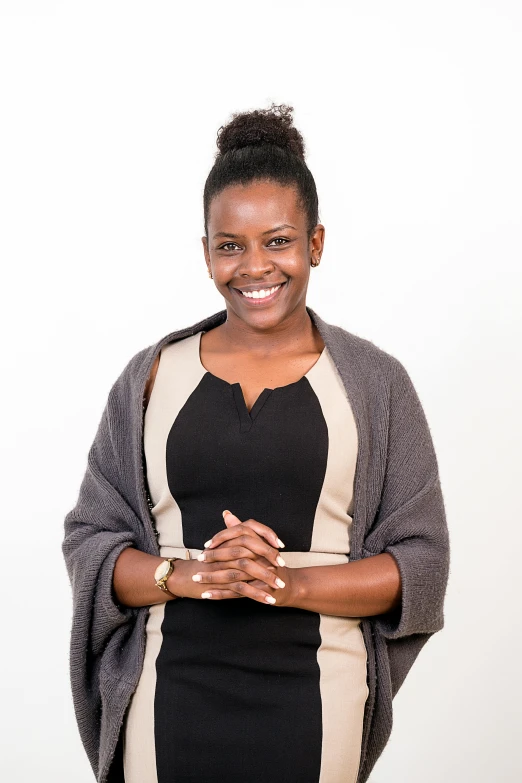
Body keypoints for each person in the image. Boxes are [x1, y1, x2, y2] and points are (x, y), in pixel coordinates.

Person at [62, 104, 450, 783]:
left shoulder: (375, 384)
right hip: (168, 693)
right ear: (206, 250)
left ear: (316, 243)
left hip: (319, 695)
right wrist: (189, 576)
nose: (254, 266)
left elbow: (419, 564)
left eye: (278, 240)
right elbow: (92, 541)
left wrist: (286, 582)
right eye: (230, 245)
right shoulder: (152, 376)